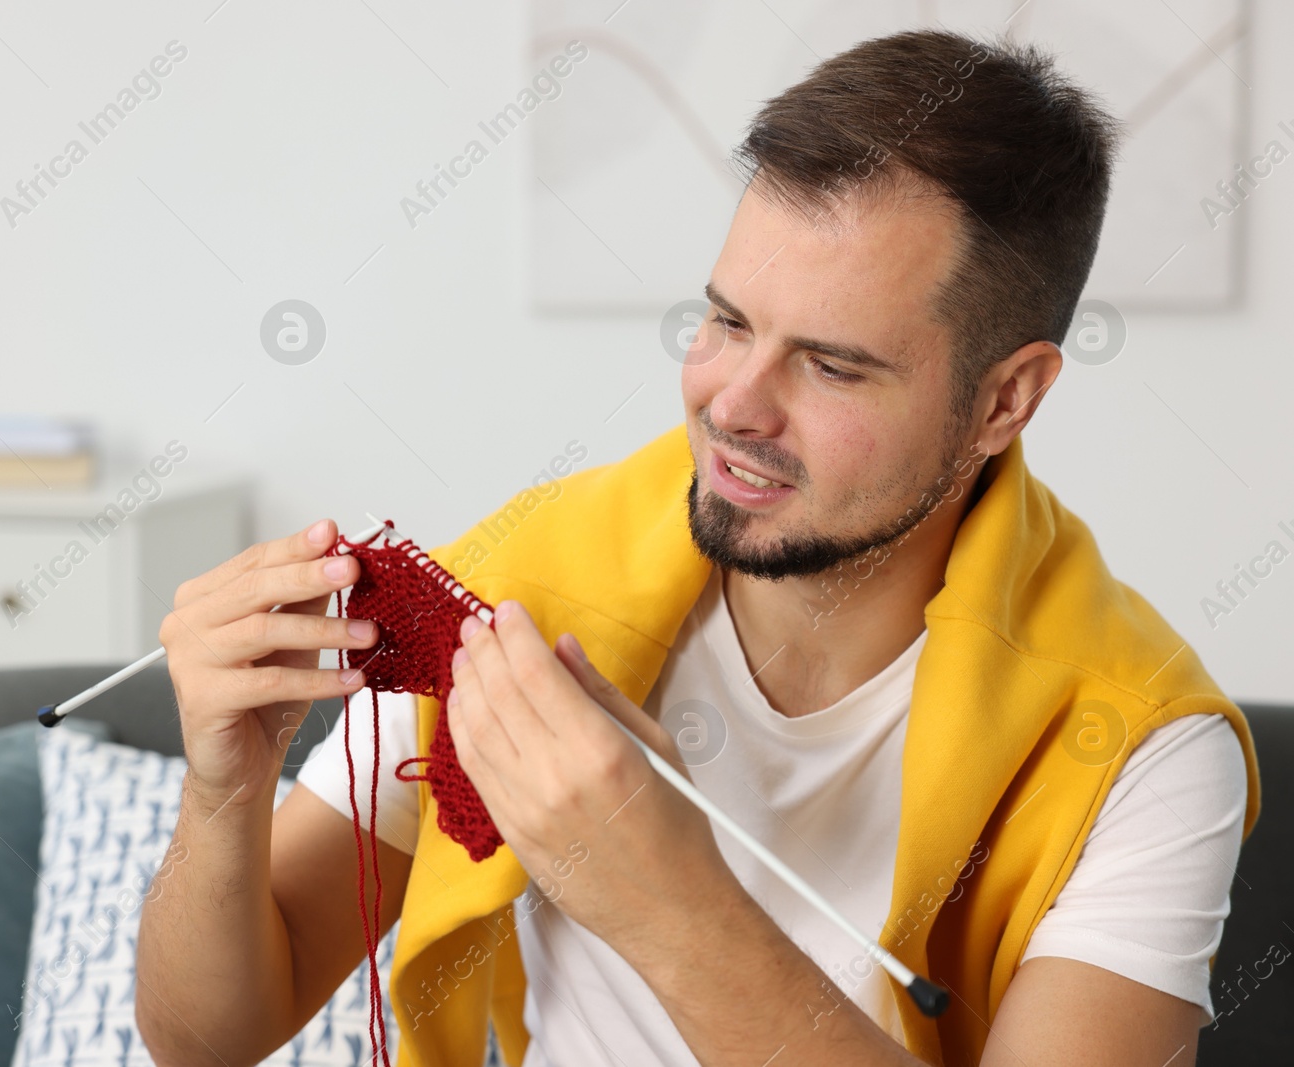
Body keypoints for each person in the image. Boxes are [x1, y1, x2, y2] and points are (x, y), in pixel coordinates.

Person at [134, 28, 1259, 1067]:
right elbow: (208, 1038)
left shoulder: (1141, 746)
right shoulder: (524, 586)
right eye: (726, 321)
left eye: (831, 364)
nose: (733, 406)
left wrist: (661, 898)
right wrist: (224, 790)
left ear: (1004, 399)